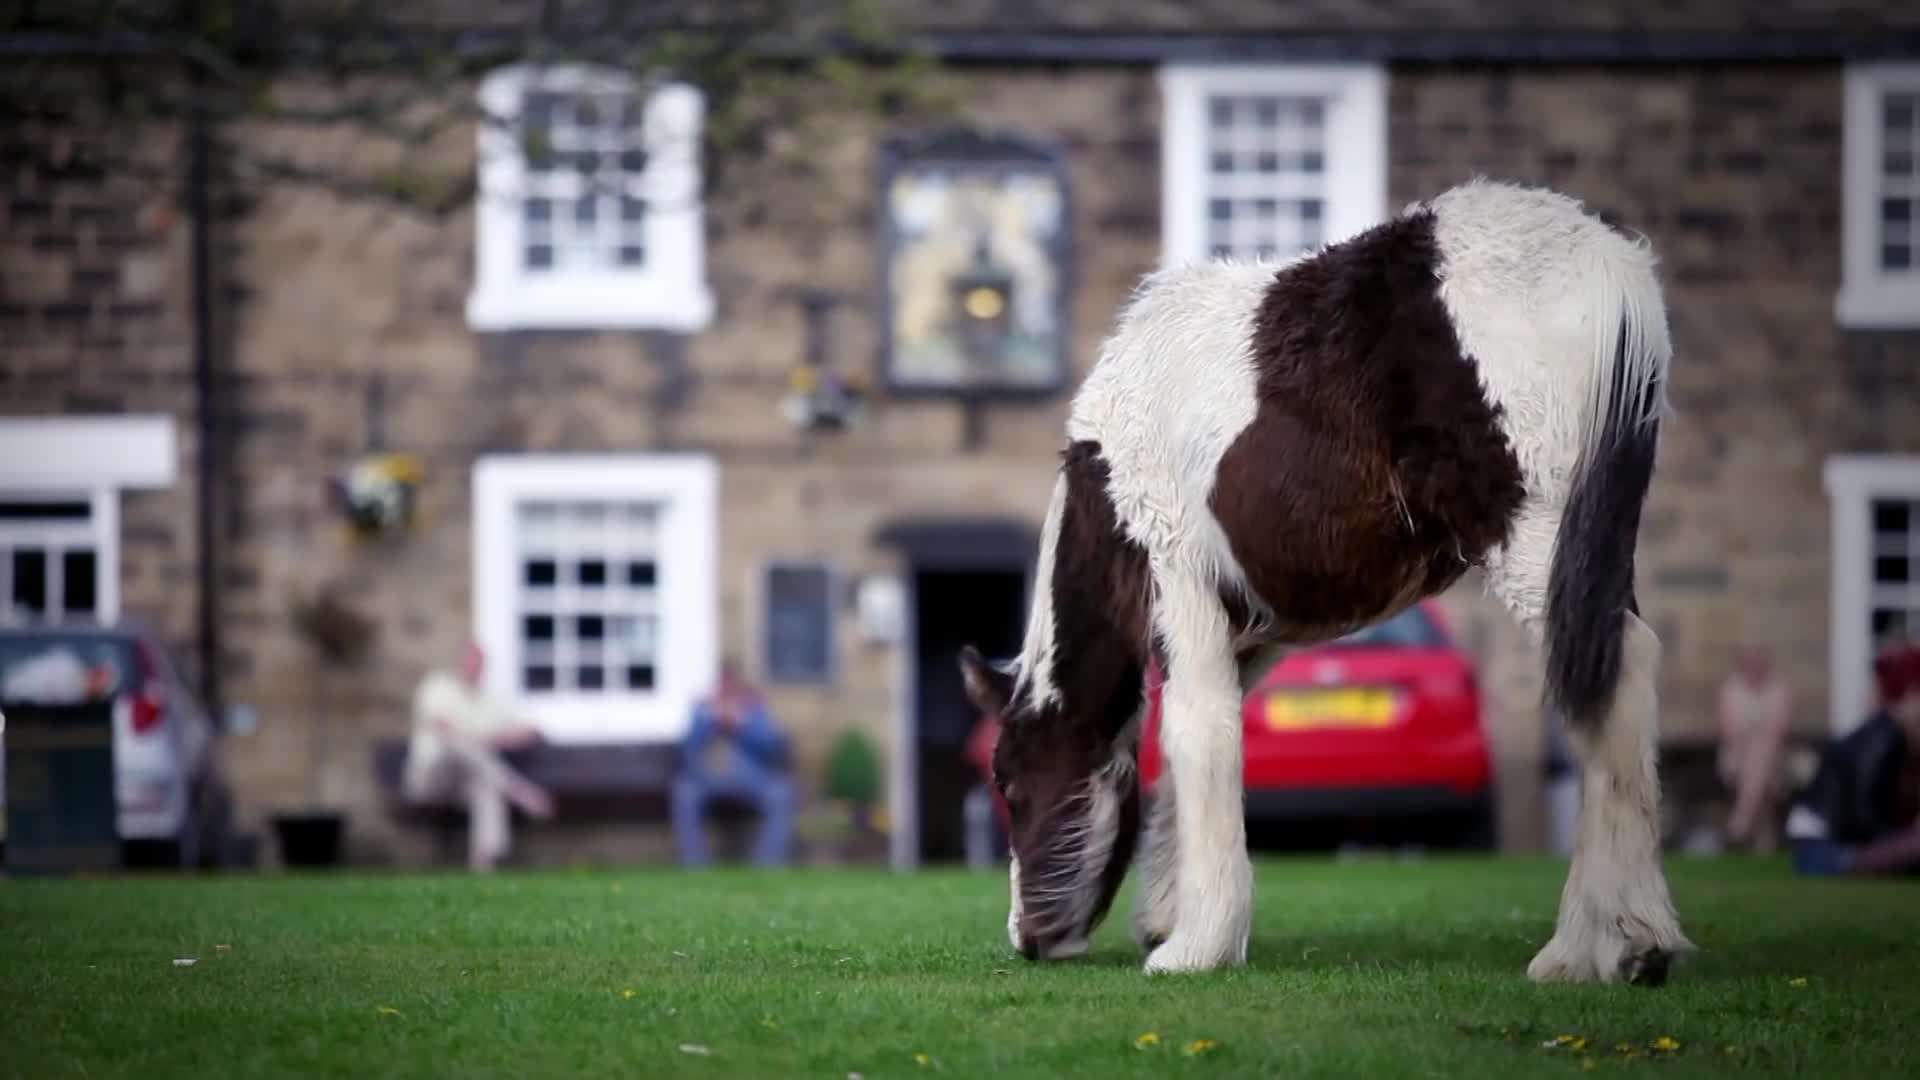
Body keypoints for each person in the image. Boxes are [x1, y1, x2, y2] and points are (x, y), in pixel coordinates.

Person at [402, 641, 553, 872]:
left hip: (466, 780)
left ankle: (484, 865)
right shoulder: (437, 687)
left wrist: (497, 738)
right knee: (457, 743)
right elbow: (445, 728)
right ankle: (517, 789)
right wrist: (488, 738)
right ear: (460, 662)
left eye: (479, 663)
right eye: (470, 662)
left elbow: (530, 731)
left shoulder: (489, 701)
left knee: (485, 785)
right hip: (430, 778)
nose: (474, 667)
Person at [1784, 645, 1920, 877]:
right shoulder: (1879, 740)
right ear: (1909, 694)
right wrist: (1902, 840)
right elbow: (1864, 816)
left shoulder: (1899, 738)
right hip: (1822, 847)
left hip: (1846, 843)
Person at [672, 659, 795, 867]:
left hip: (750, 779)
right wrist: (710, 720)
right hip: (707, 779)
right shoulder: (702, 711)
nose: (726, 689)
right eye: (722, 685)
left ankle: (767, 864)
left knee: (781, 793)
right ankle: (694, 865)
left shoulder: (755, 710)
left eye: (731, 685)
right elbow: (688, 752)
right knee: (684, 793)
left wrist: (741, 724)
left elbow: (770, 747)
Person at [1717, 643, 1794, 852]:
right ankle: (1761, 838)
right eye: (1751, 661)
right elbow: (1729, 731)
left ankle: (1741, 820)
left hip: (1772, 756)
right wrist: (1751, 739)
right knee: (1758, 760)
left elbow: (1779, 730)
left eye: (1759, 661)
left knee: (1762, 754)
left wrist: (1756, 737)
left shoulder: (1779, 688)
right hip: (1737, 755)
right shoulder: (1730, 689)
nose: (1755, 666)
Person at [962, 702, 1008, 870]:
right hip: (991, 793)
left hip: (1011, 792)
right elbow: (973, 759)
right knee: (977, 809)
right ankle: (981, 865)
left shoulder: (1017, 727)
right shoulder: (985, 729)